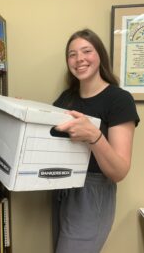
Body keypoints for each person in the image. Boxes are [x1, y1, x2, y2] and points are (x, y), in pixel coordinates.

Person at [52, 28, 140, 253]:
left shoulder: (119, 100)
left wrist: (94, 136)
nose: (79, 58)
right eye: (72, 54)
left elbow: (119, 171)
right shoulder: (67, 97)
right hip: (62, 186)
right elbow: (47, 133)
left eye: (86, 51)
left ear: (100, 55)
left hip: (93, 192)